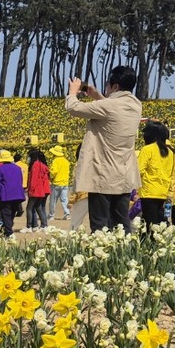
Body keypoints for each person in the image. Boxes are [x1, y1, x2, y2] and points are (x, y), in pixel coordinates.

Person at [65, 65, 142, 232]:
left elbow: (73, 108)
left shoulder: (108, 106)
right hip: (123, 176)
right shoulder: (136, 105)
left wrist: (72, 92)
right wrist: (97, 96)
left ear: (115, 86)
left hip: (103, 175)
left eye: (108, 85)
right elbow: (112, 108)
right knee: (121, 224)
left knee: (100, 225)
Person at [136, 122, 173, 228]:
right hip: (163, 192)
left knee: (149, 224)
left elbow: (139, 170)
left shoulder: (147, 149)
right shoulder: (169, 152)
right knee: (158, 222)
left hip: (149, 192)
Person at [0, 150, 25, 238]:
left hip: (6, 194)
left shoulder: (0, 168)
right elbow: (20, 180)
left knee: (5, 214)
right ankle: (7, 230)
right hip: (17, 194)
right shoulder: (17, 168)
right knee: (12, 213)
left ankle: (9, 232)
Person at [26, 148, 51, 230]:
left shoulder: (35, 165)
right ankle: (44, 224)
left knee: (30, 208)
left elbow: (34, 179)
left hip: (36, 190)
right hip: (41, 190)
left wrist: (31, 189)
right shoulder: (42, 165)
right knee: (39, 207)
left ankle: (30, 226)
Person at [47, 145, 70, 220]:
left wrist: (50, 177)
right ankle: (67, 214)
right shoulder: (66, 161)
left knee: (53, 201)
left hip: (56, 183)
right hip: (65, 183)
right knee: (64, 200)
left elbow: (54, 172)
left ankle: (51, 215)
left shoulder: (55, 161)